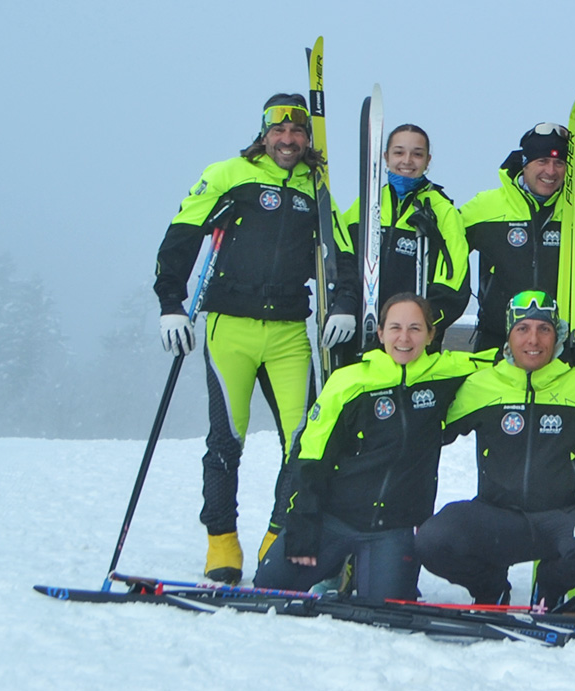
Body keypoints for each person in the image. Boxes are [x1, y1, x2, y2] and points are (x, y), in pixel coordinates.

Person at [152, 93, 359, 584]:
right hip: (231, 325)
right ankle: (222, 542)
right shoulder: (228, 174)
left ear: (307, 138)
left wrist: (346, 303)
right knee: (227, 440)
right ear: (264, 133)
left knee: (303, 441)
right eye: (278, 131)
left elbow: (342, 254)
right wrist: (169, 305)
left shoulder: (318, 187)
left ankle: (277, 535)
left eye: (297, 132)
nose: (287, 140)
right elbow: (181, 235)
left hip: (289, 330)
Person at [254, 293, 491, 600]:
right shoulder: (348, 382)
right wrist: (303, 528)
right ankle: (335, 566)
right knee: (268, 586)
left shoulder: (450, 372)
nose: (404, 338)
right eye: (395, 328)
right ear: (380, 333)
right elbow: (310, 458)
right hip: (333, 519)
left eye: (415, 328)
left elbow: (516, 360)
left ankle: (361, 568)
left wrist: (573, 363)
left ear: (431, 334)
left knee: (383, 609)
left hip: (392, 528)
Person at [414, 291, 575, 611]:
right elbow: (434, 428)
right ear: (509, 335)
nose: (533, 339)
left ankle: (551, 586)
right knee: (434, 539)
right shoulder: (481, 385)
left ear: (557, 337)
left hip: (560, 518)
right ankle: (491, 588)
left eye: (544, 330)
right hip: (497, 518)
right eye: (522, 329)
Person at [460, 123, 575, 353]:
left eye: (559, 163)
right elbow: (447, 251)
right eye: (542, 161)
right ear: (525, 163)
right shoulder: (486, 207)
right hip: (497, 340)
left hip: (556, 342)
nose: (551, 171)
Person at [338, 124, 471, 361]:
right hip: (362, 338)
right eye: (399, 152)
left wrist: (420, 329)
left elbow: (453, 288)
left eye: (417, 154)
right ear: (386, 157)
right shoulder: (367, 204)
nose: (407, 160)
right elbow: (342, 259)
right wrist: (342, 308)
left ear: (428, 160)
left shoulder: (442, 212)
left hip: (412, 347)